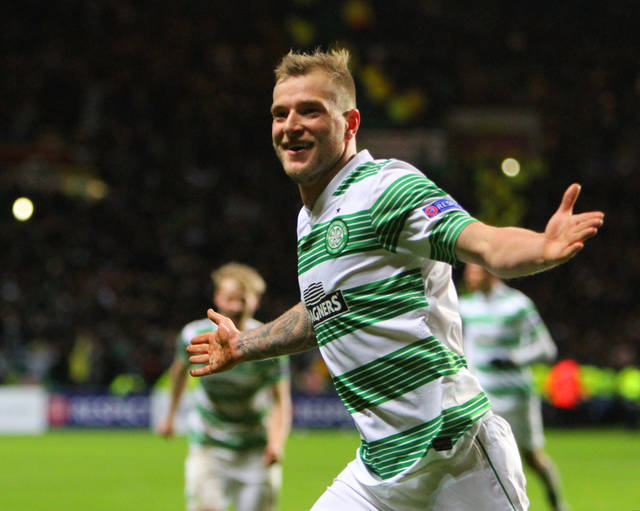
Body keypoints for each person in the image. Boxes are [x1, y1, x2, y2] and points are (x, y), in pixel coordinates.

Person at [187, 48, 604, 511]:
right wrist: (243, 345)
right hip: (380, 468)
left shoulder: (385, 187)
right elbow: (327, 309)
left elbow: (483, 243)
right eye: (280, 113)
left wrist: (540, 247)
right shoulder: (311, 219)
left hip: (454, 455)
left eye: (310, 111)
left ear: (350, 123)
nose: (291, 125)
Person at [158, 262, 292, 511]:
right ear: (217, 298)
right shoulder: (194, 335)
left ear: (256, 301)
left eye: (243, 299)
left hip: (255, 449)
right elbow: (178, 373)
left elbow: (280, 400)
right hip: (209, 444)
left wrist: (276, 443)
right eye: (230, 298)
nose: (236, 306)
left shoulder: (267, 343)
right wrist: (170, 415)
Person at [459, 262, 568, 511]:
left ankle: (558, 505)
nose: (469, 276)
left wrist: (513, 358)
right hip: (482, 397)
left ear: (490, 271)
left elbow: (547, 349)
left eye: (474, 270)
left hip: (516, 397)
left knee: (532, 458)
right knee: (478, 460)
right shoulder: (465, 306)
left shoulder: (517, 305)